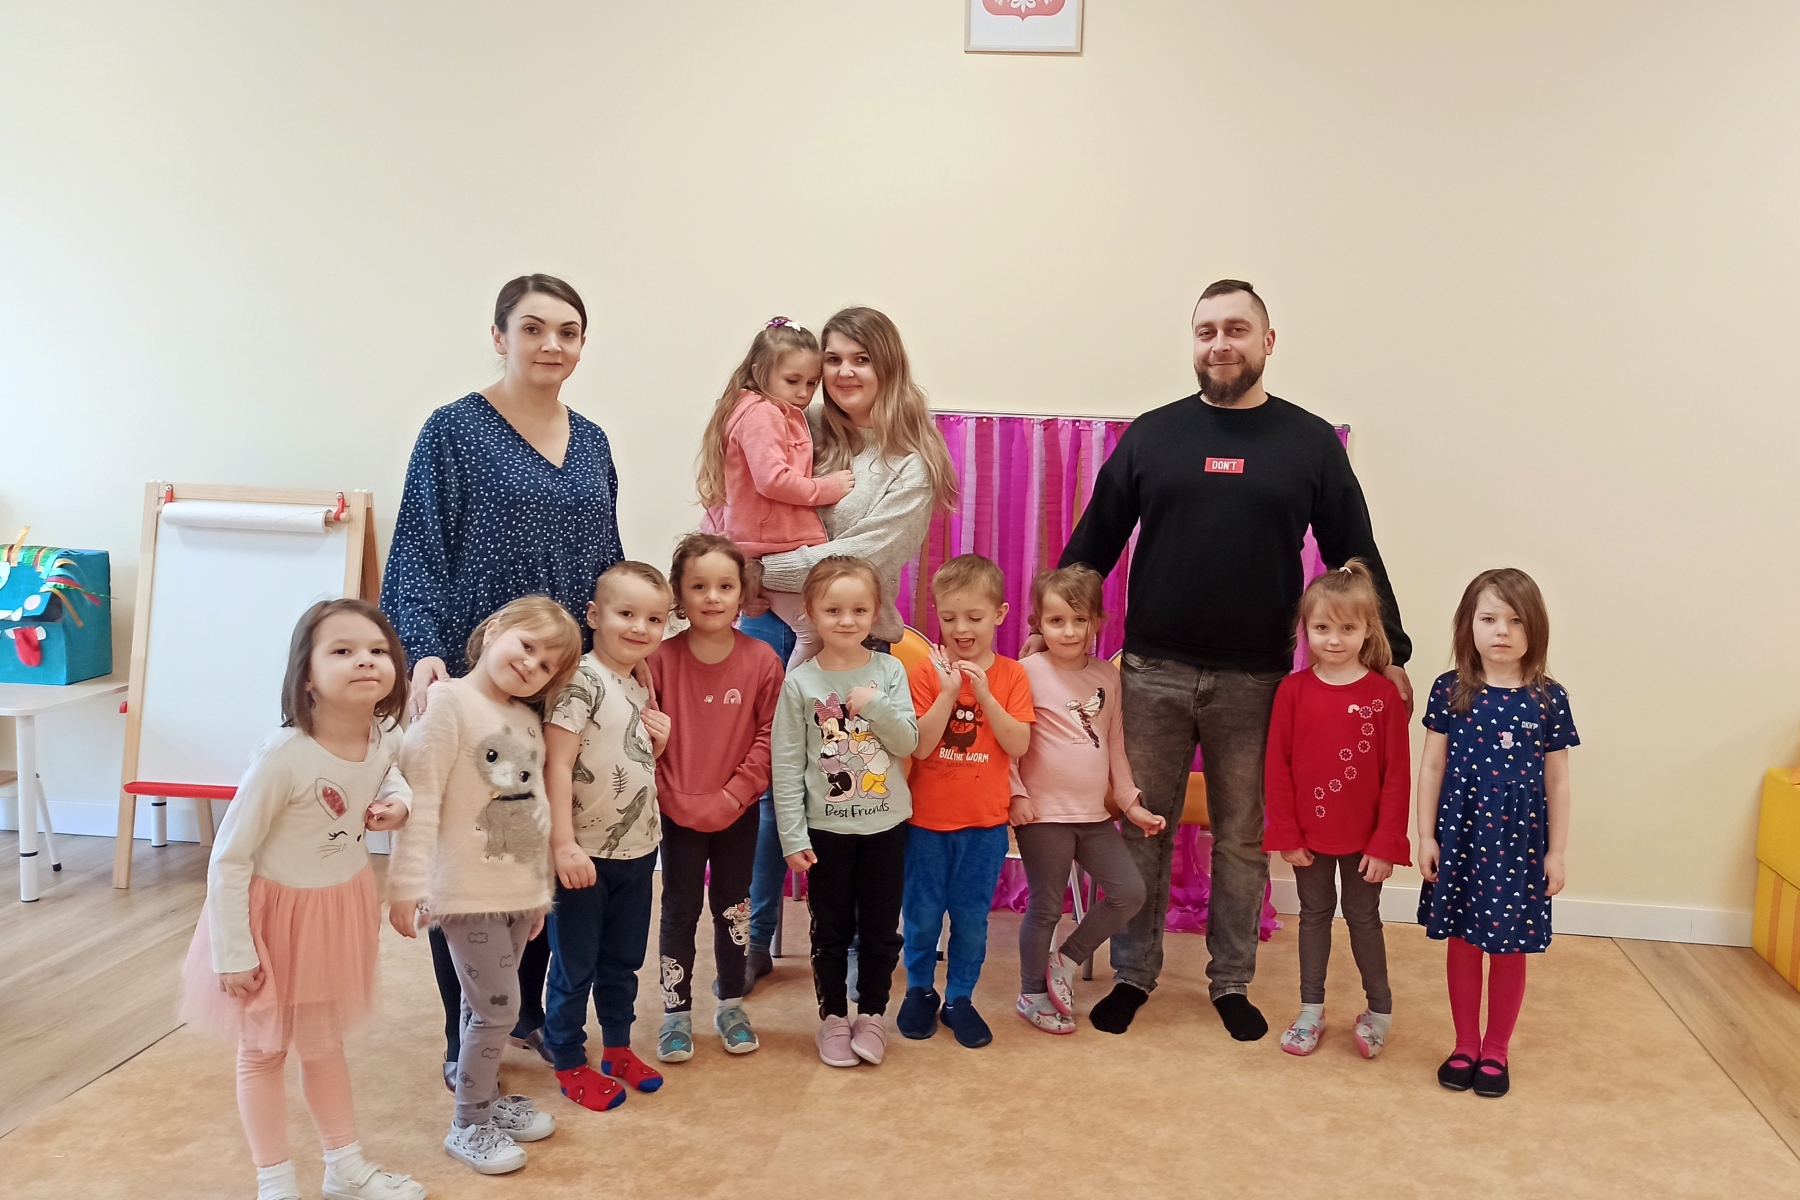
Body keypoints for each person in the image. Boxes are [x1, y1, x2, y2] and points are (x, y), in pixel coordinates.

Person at [1058, 279, 1412, 1039]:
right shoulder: (1153, 435)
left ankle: (1230, 982)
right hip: (1150, 672)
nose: (1220, 344)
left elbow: (1355, 551)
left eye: (1236, 330)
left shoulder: (1309, 444)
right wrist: (1048, 627)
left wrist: (1392, 650)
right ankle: (1134, 973)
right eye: (1206, 331)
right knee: (1142, 829)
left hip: (1257, 681)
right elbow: (1094, 542)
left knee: (1244, 840)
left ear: (1268, 341)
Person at [381, 273, 624, 1082]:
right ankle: (465, 1036)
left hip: (561, 672)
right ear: (499, 336)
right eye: (533, 328)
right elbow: (418, 547)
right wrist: (421, 650)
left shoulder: (592, 442)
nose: (552, 344)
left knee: (538, 840)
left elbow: (607, 562)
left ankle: (519, 1013)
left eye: (568, 331)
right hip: (479, 670)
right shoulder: (453, 431)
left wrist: (619, 668)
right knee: (474, 851)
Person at [179, 600, 422, 1200]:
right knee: (263, 1052)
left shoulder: (384, 734)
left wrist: (399, 803)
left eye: (377, 650)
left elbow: (390, 772)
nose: (365, 660)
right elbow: (229, 858)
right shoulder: (283, 756)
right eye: (342, 650)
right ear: (306, 676)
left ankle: (345, 1165)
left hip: (336, 910)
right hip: (269, 918)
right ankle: (275, 1182)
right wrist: (234, 951)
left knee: (323, 1044)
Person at [744, 307, 957, 982]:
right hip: (766, 628)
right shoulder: (796, 423)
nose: (843, 372)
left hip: (853, 648)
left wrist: (756, 571)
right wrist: (732, 571)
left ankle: (863, 946)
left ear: (887, 365)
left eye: (860, 359)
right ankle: (750, 939)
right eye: (833, 358)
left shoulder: (912, 462)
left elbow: (863, 558)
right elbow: (745, 491)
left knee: (850, 797)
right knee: (760, 792)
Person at [388, 596, 583, 1175]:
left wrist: (537, 894)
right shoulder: (447, 703)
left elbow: (533, 811)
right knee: (499, 1010)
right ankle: (469, 1123)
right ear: (495, 629)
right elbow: (420, 800)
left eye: (546, 665)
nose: (531, 665)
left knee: (488, 1009)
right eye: (527, 645)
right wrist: (407, 885)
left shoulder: (526, 719)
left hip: (515, 894)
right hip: (466, 894)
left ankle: (485, 1104)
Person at [1417, 569, 1577, 1099]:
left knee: (1510, 947)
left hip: (1520, 845)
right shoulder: (1450, 690)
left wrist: (1556, 851)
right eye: (1489, 619)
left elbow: (1557, 779)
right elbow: (1432, 767)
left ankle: (1496, 1050)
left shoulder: (1548, 699)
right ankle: (1465, 1044)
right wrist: (1426, 836)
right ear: (1469, 625)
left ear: (1536, 629)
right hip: (1461, 838)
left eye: (1515, 621)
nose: (1502, 631)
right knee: (1463, 943)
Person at [771, 557, 919, 1067]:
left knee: (880, 929)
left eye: (859, 609)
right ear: (810, 613)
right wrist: (793, 836)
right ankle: (833, 1017)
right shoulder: (800, 683)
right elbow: (786, 766)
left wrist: (873, 705)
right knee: (830, 930)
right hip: (826, 831)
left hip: (886, 827)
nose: (846, 620)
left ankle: (872, 1015)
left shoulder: (890, 670)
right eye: (833, 610)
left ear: (876, 613)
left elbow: (908, 743)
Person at [1262, 561, 1412, 1059]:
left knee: (1364, 918)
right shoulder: (1291, 691)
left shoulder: (1383, 697)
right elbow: (1277, 768)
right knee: (1314, 916)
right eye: (1322, 627)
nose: (1333, 639)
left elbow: (1397, 777)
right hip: (1308, 838)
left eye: (1347, 628)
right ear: (1305, 628)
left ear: (1368, 629)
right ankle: (1311, 1010)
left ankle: (1379, 1011)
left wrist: (1386, 843)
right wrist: (1286, 833)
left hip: (1367, 841)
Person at [647, 534, 784, 1062]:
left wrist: (734, 795)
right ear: (679, 594)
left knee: (733, 909)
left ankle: (730, 1005)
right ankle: (675, 1015)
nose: (712, 597)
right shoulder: (658, 660)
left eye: (725, 586)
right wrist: (676, 797)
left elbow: (770, 737)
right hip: (675, 814)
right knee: (678, 911)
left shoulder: (762, 660)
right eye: (699, 586)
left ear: (742, 592)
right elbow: (645, 741)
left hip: (737, 813)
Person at [542, 563, 673, 1109]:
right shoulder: (580, 679)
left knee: (623, 960)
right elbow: (556, 763)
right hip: (583, 855)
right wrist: (562, 844)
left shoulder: (639, 683)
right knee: (575, 965)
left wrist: (658, 744)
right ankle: (568, 1057)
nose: (641, 627)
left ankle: (617, 1047)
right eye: (627, 614)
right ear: (594, 616)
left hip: (638, 852)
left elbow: (628, 758)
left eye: (655, 619)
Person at [1009, 566, 1161, 1035]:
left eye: (1080, 620)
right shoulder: (1024, 673)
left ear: (1096, 621)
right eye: (1056, 621)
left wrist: (1130, 802)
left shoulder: (1106, 677)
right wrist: (1015, 792)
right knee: (1046, 908)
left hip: (1093, 817)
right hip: (1043, 815)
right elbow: (1006, 743)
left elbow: (1114, 743)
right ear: (1038, 623)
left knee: (1130, 892)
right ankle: (1031, 994)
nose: (1070, 631)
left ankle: (1066, 959)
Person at [895, 555, 1034, 1048]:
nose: (960, 629)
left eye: (974, 617)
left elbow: (1018, 745)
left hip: (984, 826)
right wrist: (949, 692)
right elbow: (920, 747)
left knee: (972, 921)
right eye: (949, 617)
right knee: (921, 917)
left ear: (999, 614)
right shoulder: (925, 673)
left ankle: (959, 998)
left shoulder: (1013, 675)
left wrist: (986, 695)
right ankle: (918, 990)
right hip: (926, 824)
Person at [696, 318, 855, 667]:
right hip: (767, 544)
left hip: (759, 545)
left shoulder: (762, 409)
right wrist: (826, 488)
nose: (803, 393)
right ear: (760, 372)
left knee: (796, 632)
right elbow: (772, 480)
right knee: (814, 632)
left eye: (812, 383)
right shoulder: (764, 413)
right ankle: (789, 696)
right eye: (792, 381)